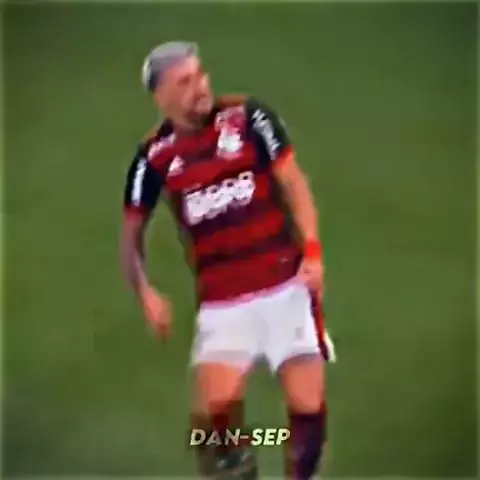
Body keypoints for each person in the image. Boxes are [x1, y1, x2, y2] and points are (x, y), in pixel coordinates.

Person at [121, 41, 334, 479]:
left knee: (308, 414)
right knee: (214, 433)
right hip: (223, 303)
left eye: (200, 75)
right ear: (161, 95)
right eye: (185, 82)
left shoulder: (249, 118)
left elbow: (294, 184)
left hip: (286, 286)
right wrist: (145, 293)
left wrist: (312, 251)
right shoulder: (154, 157)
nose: (201, 86)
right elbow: (131, 236)